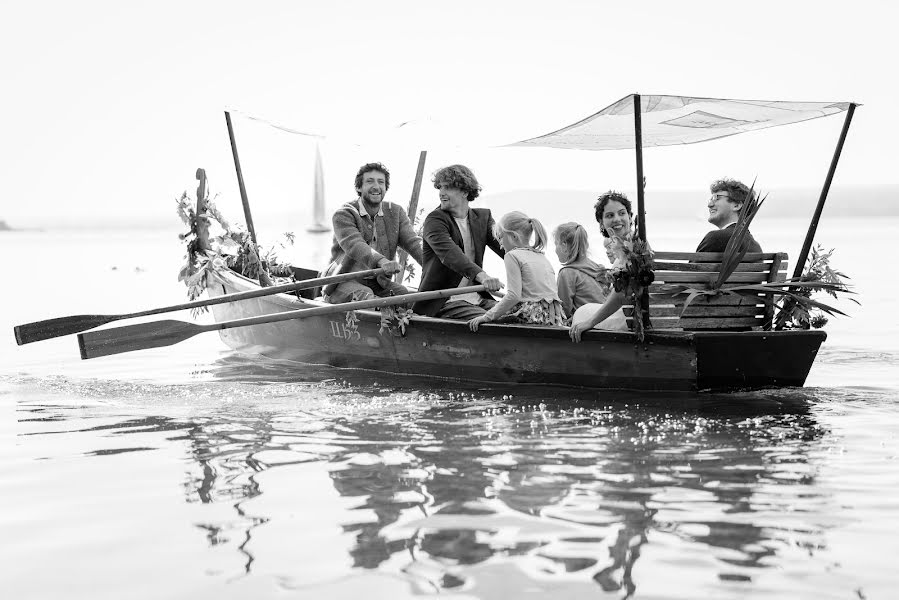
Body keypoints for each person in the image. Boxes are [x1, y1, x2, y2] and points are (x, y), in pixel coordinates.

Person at [412, 165, 505, 319]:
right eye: (440, 187)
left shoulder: (483, 217)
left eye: (447, 187)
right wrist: (483, 277)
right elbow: (451, 255)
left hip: (478, 298)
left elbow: (505, 248)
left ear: (465, 191)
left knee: (521, 314)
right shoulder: (435, 220)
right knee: (493, 321)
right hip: (445, 301)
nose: (441, 193)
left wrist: (528, 263)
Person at [321, 162, 422, 303]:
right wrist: (382, 261)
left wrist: (432, 264)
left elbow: (413, 243)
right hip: (343, 281)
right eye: (370, 181)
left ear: (386, 187)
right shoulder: (344, 214)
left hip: (378, 283)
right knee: (366, 295)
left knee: (403, 295)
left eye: (381, 182)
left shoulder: (396, 212)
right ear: (359, 187)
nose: (376, 186)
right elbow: (355, 245)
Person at [469, 212, 565, 331]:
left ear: (514, 237)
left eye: (500, 237)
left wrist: (486, 317)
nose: (500, 244)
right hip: (552, 317)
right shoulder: (541, 256)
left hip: (532, 316)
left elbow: (513, 296)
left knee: (488, 322)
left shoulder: (512, 256)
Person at [569, 191, 634, 342]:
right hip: (636, 314)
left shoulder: (630, 249)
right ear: (601, 221)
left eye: (621, 213)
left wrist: (590, 322)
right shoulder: (626, 245)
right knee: (586, 310)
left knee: (582, 313)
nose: (617, 219)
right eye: (610, 215)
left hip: (633, 318)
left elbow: (620, 296)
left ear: (630, 216)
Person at [553, 222, 608, 320]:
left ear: (564, 245)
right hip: (604, 323)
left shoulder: (567, 273)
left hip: (584, 328)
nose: (555, 250)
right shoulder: (599, 269)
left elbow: (563, 311)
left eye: (556, 244)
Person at [697, 178, 763, 252]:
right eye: (711, 199)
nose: (710, 205)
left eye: (716, 198)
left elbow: (693, 264)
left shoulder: (716, 238)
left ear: (737, 205)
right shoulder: (755, 246)